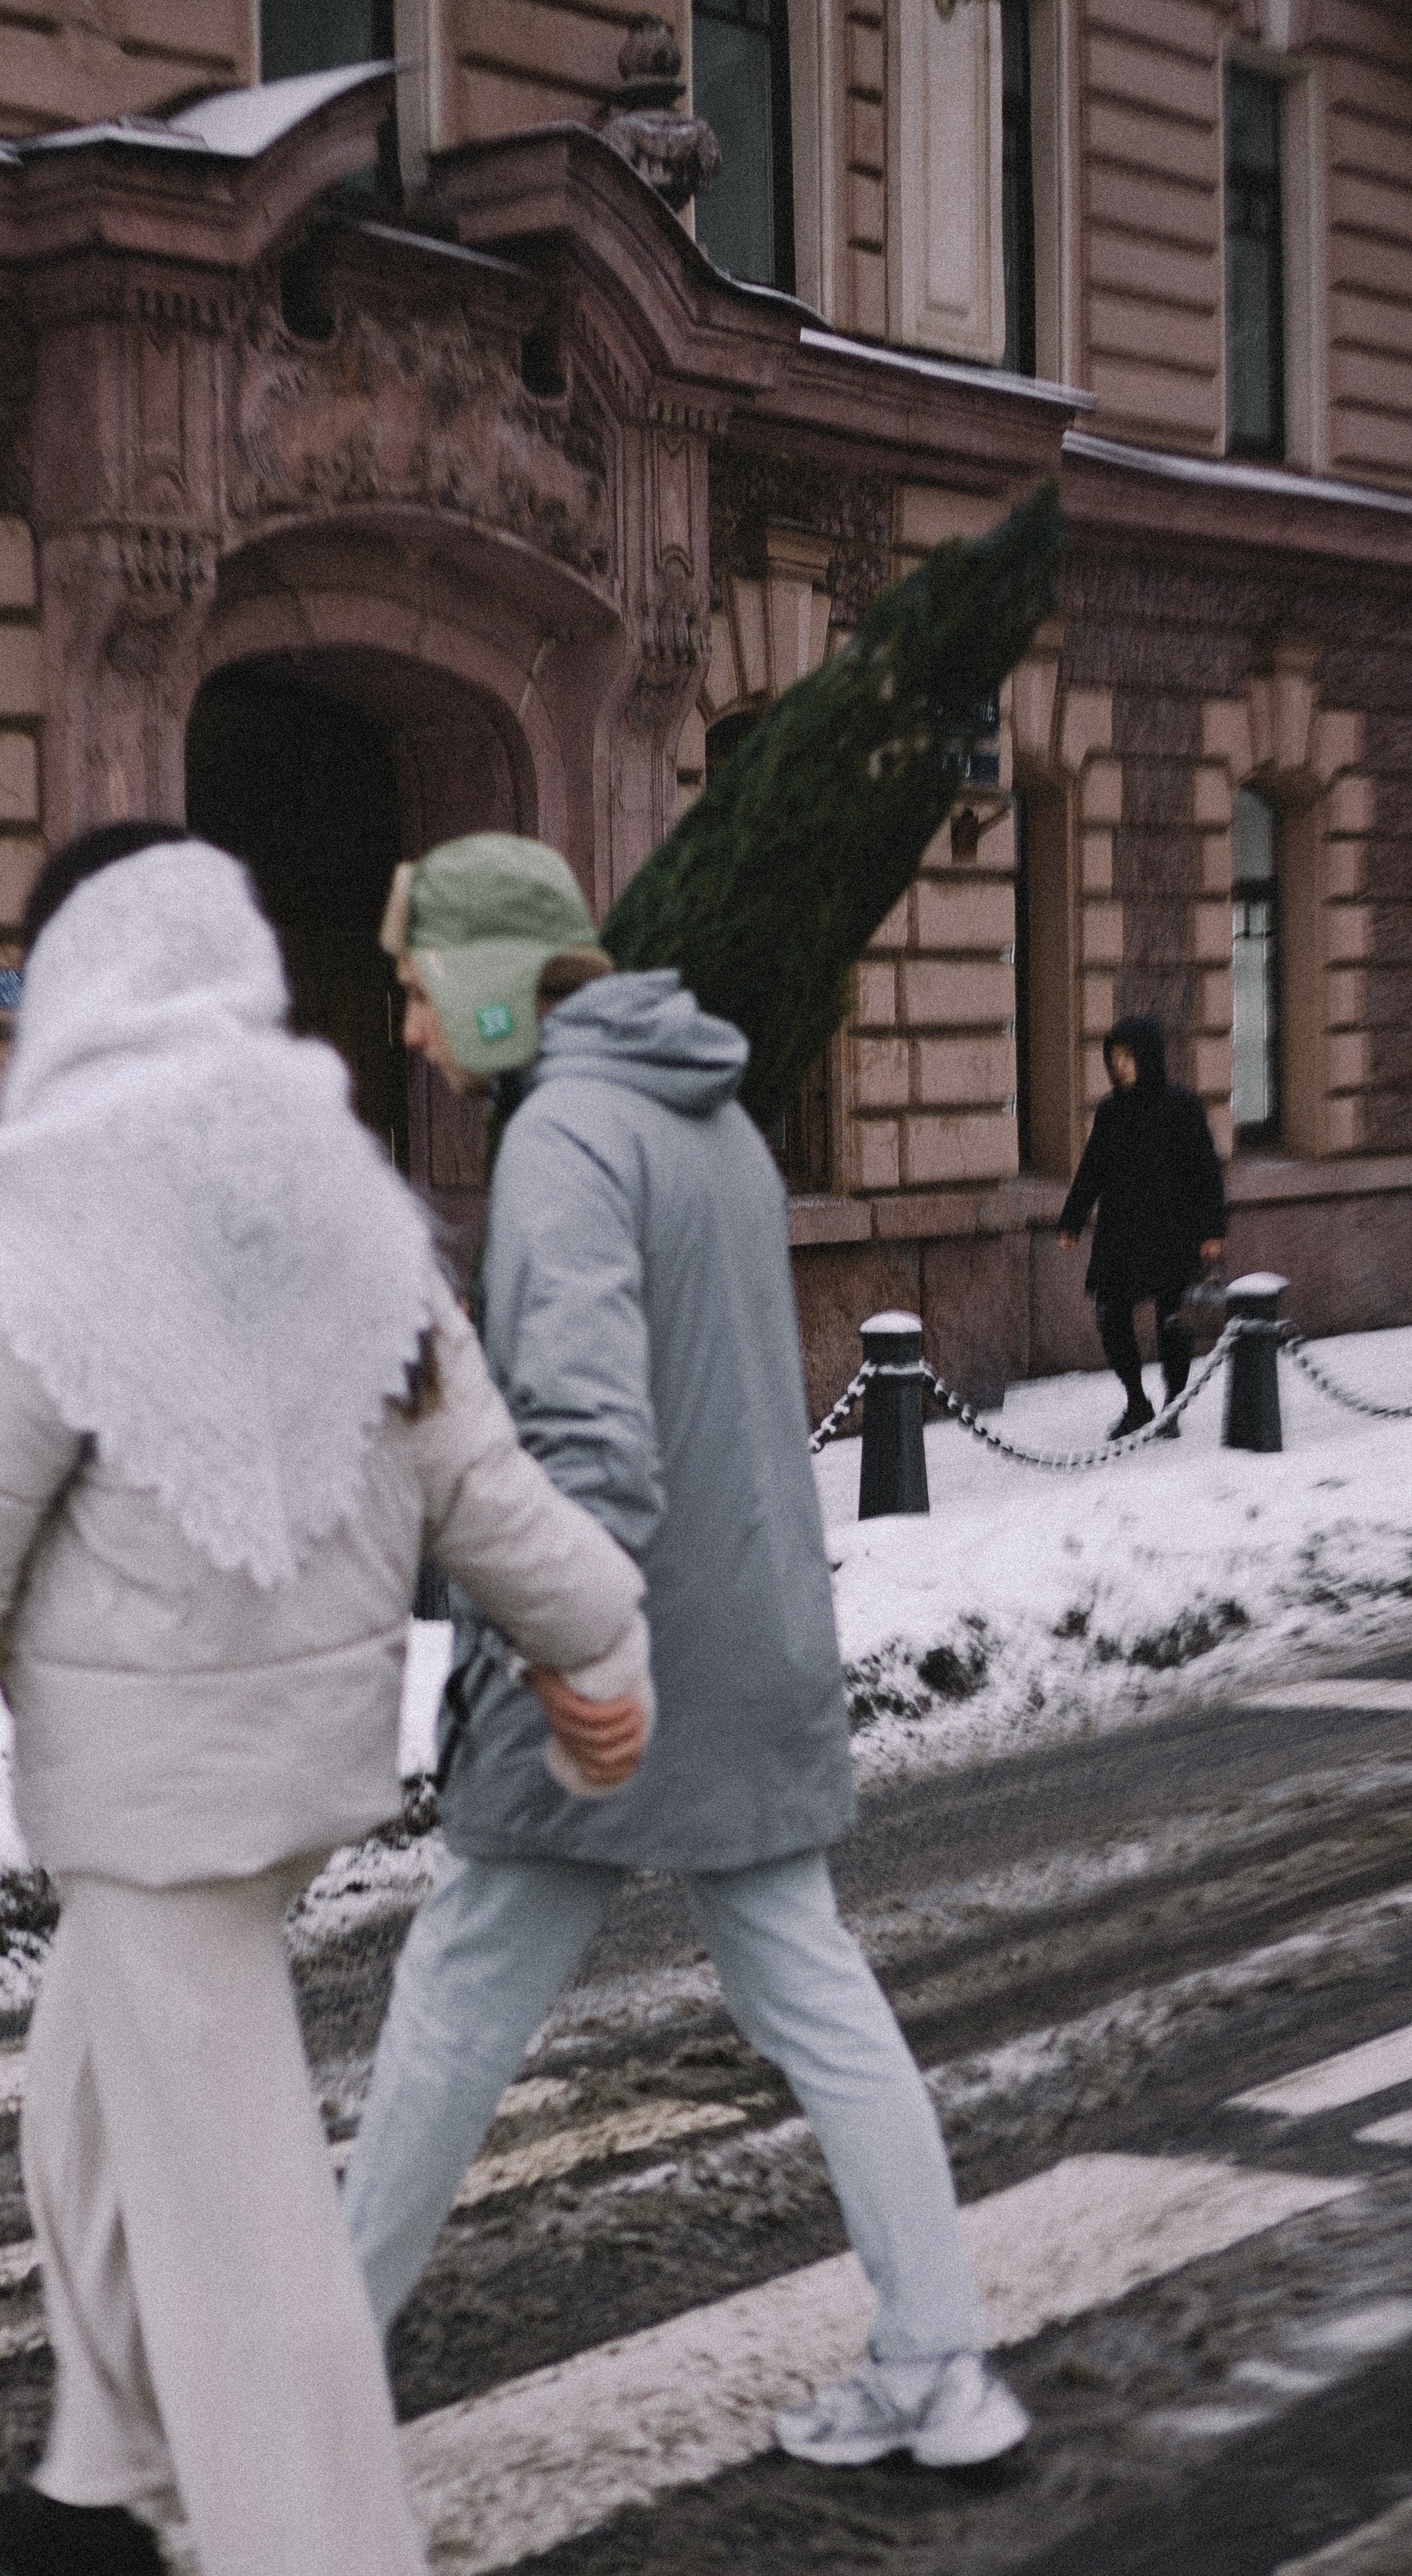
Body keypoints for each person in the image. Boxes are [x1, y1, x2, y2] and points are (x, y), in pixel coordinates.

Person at [0, 825, 655, 2576]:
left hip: (153, 1799)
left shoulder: (40, 1217)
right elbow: (474, 1472)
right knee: (91, 2113)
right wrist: (597, 1636)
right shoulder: (339, 1183)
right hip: (292, 1770)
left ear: (75, 982)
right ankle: (99, 2487)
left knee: (233, 2216)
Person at [340, 831, 1030, 2473]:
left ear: (495, 979)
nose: (413, 1029)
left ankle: (305, 2381)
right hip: (746, 1635)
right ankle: (937, 2359)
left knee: (451, 2007)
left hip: (615, 1655)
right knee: (809, 1992)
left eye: (421, 989)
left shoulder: (565, 1133)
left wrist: (561, 1647)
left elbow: (585, 1434)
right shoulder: (705, 1116)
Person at [1057, 1014, 1228, 1440]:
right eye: (1114, 1058)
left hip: (1174, 1232)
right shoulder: (1110, 1111)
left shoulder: (1182, 1107)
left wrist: (1212, 1230)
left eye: (1128, 1057)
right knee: (1111, 1314)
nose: (1119, 1066)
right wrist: (1072, 1221)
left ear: (1147, 1057)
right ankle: (1136, 1402)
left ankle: (1173, 1405)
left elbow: (1205, 1171)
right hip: (1121, 1234)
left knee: (1173, 1323)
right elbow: (1092, 1169)